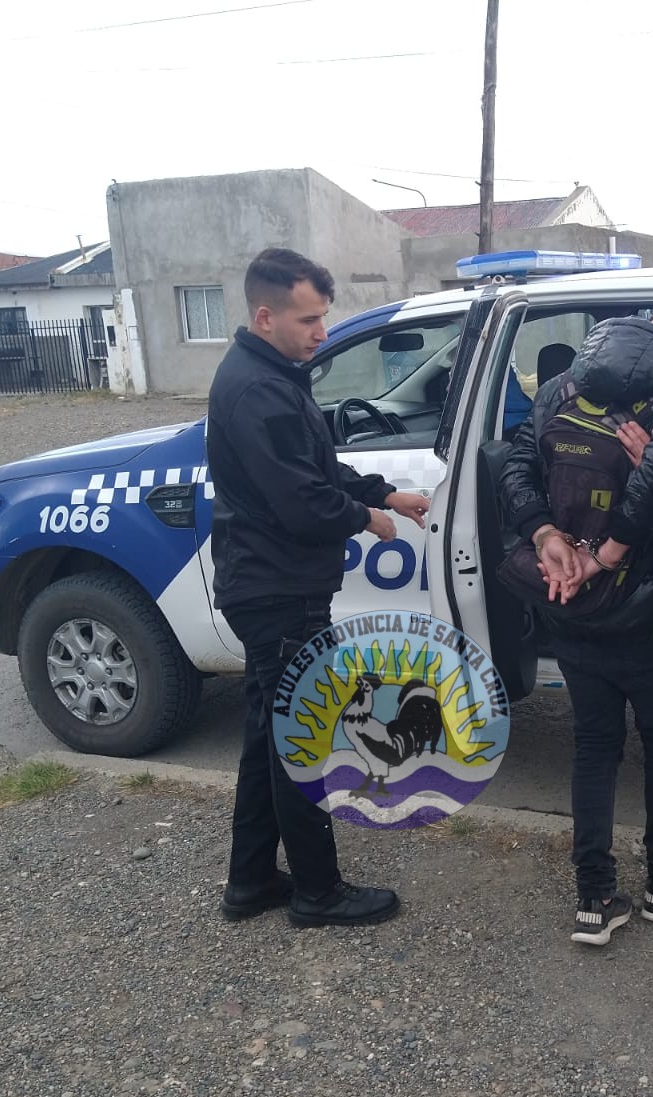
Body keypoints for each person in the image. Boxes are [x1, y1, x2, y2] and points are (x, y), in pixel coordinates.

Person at [206, 247, 431, 928]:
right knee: (299, 737)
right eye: (308, 320)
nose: (321, 333)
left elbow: (318, 465)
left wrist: (382, 489)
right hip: (278, 591)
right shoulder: (258, 390)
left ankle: (250, 882)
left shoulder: (275, 374)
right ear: (265, 314)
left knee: (266, 735)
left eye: (324, 318)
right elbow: (303, 501)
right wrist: (368, 518)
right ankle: (316, 891)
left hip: (275, 583)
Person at [497, 290, 653, 946]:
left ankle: (594, 897)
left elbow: (514, 464)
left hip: (570, 601)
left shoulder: (564, 387)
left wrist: (545, 537)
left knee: (593, 746)